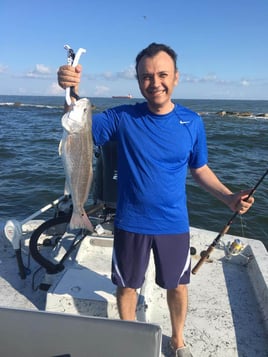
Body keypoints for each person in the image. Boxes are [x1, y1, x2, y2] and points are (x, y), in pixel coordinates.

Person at [58, 43, 254, 357]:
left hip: (173, 223)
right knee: (127, 286)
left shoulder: (192, 123)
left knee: (177, 286)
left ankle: (178, 340)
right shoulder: (122, 117)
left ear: (176, 77)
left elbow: (199, 169)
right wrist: (70, 92)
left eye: (162, 74)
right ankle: (129, 335)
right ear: (138, 81)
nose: (155, 82)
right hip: (130, 221)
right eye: (146, 76)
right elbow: (78, 130)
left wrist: (228, 197)